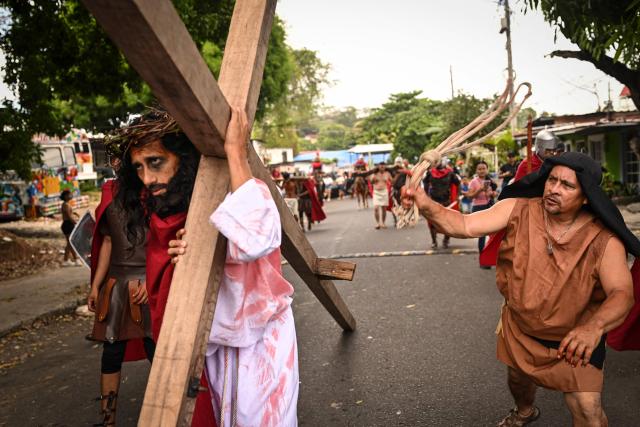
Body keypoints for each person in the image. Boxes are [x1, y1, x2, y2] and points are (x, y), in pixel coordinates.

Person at [403, 152, 637, 427]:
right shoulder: (518, 208)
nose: (554, 189)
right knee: (518, 380)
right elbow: (464, 225)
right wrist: (426, 204)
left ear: (586, 196)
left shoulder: (604, 239)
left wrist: (593, 328)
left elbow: (622, 293)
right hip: (520, 327)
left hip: (576, 339)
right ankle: (524, 411)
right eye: (552, 180)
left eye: (567, 186)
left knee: (588, 409)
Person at [87, 177, 154, 426]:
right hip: (116, 287)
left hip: (149, 285)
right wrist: (96, 285)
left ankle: (171, 416)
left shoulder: (156, 189)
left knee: (157, 352)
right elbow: (106, 241)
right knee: (111, 353)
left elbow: (164, 240)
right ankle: (108, 421)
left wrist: (152, 280)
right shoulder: (110, 191)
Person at [464, 161, 497, 263]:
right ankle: (483, 258)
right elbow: (469, 196)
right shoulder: (473, 182)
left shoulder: (490, 181)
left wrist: (492, 193)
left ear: (487, 169)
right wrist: (480, 190)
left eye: (484, 168)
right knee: (482, 235)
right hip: (478, 208)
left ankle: (491, 256)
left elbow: (495, 194)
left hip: (489, 207)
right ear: (476, 170)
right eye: (480, 169)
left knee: (493, 234)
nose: (482, 171)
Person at [423, 158, 460, 249]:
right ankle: (434, 241)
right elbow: (425, 182)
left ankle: (446, 240)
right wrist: (426, 194)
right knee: (432, 222)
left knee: (447, 222)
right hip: (433, 201)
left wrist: (458, 195)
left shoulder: (450, 173)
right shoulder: (430, 173)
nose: (439, 164)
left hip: (446, 201)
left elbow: (458, 183)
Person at [60, 189, 80, 266]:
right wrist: (76, 223)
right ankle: (76, 260)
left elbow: (69, 213)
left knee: (69, 243)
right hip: (68, 225)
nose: (71, 195)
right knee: (71, 243)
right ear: (65, 196)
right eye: (69, 194)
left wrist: (74, 213)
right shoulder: (65, 204)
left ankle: (65, 260)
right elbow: (68, 216)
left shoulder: (67, 204)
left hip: (68, 224)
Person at [370, 162, 392, 229]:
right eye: (381, 166)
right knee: (376, 208)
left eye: (383, 166)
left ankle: (383, 223)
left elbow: (392, 181)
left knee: (384, 209)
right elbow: (371, 182)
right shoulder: (375, 173)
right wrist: (373, 179)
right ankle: (377, 223)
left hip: (384, 191)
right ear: (378, 167)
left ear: (385, 167)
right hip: (376, 192)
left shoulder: (387, 174)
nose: (382, 167)